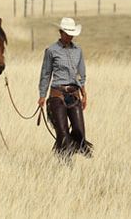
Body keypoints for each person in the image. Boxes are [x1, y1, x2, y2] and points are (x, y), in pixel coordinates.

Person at [38, 17, 93, 158]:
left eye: (71, 33)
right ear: (61, 32)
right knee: (62, 133)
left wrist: (83, 92)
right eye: (67, 33)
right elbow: (46, 74)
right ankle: (65, 162)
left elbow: (81, 73)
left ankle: (62, 151)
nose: (70, 36)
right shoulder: (51, 51)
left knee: (79, 131)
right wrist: (42, 96)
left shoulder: (78, 51)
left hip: (74, 95)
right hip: (57, 96)